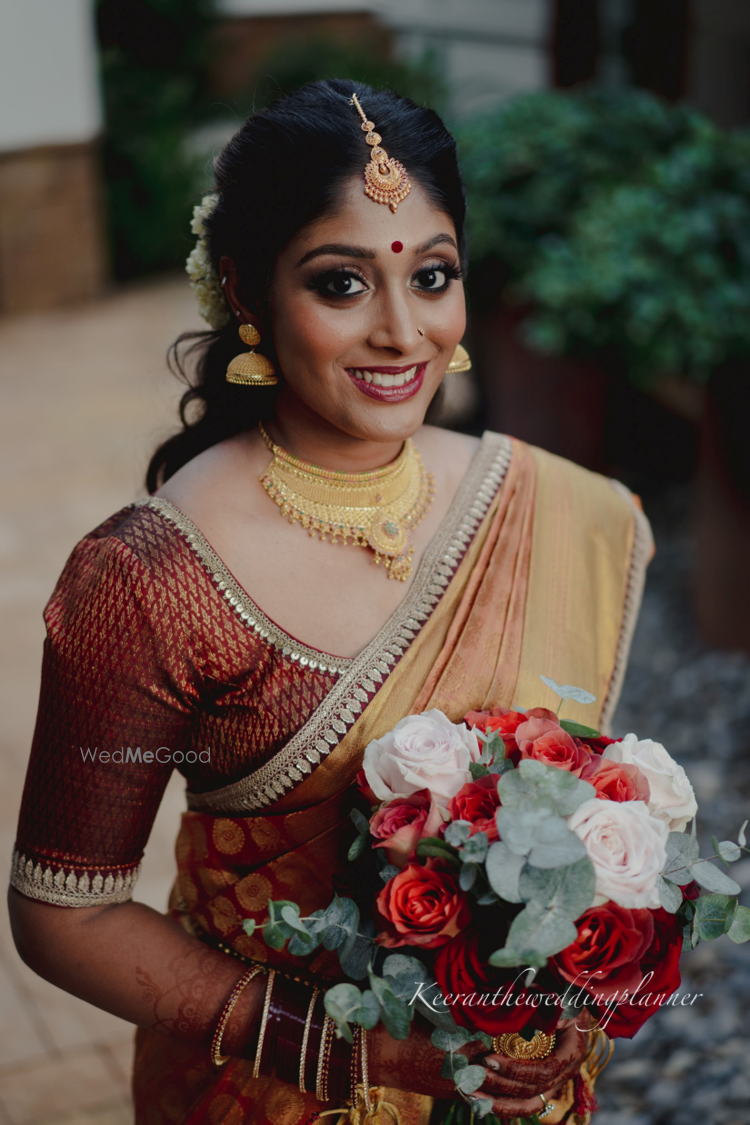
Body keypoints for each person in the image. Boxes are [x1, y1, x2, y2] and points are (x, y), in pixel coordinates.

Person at [8, 80, 649, 1125]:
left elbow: (571, 830)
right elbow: (61, 915)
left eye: (432, 276)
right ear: (248, 293)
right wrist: (340, 1050)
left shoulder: (560, 514)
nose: (403, 332)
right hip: (269, 1096)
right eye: (341, 284)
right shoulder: (147, 580)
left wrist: (580, 981)